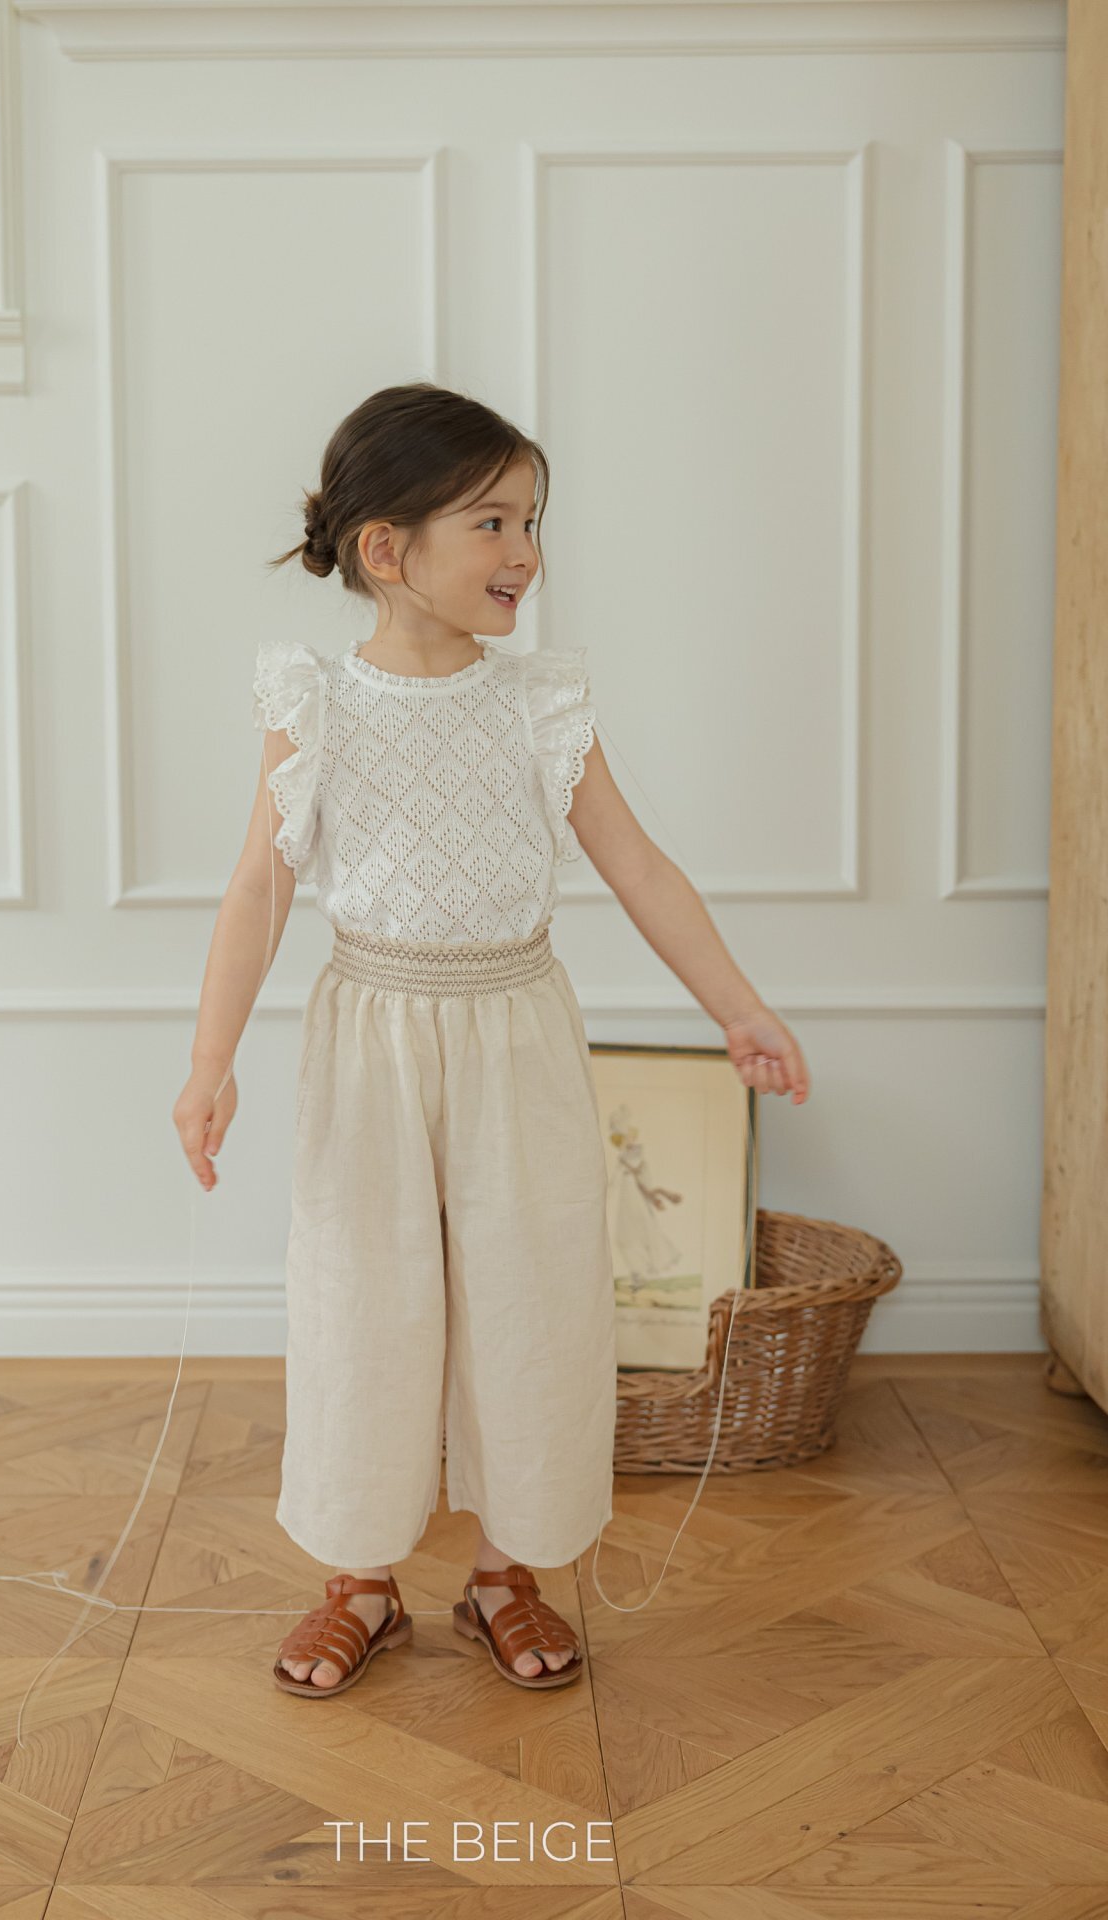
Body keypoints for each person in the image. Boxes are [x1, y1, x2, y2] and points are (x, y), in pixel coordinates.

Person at [174, 382, 810, 1699]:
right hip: (370, 1045)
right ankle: (358, 1580)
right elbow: (257, 889)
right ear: (386, 549)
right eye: (494, 523)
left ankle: (506, 1573)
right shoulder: (315, 705)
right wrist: (208, 1062)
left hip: (519, 1039)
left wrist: (740, 1009)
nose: (526, 551)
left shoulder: (539, 705)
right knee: (362, 1301)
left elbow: (639, 867)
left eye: (532, 522)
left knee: (532, 1302)